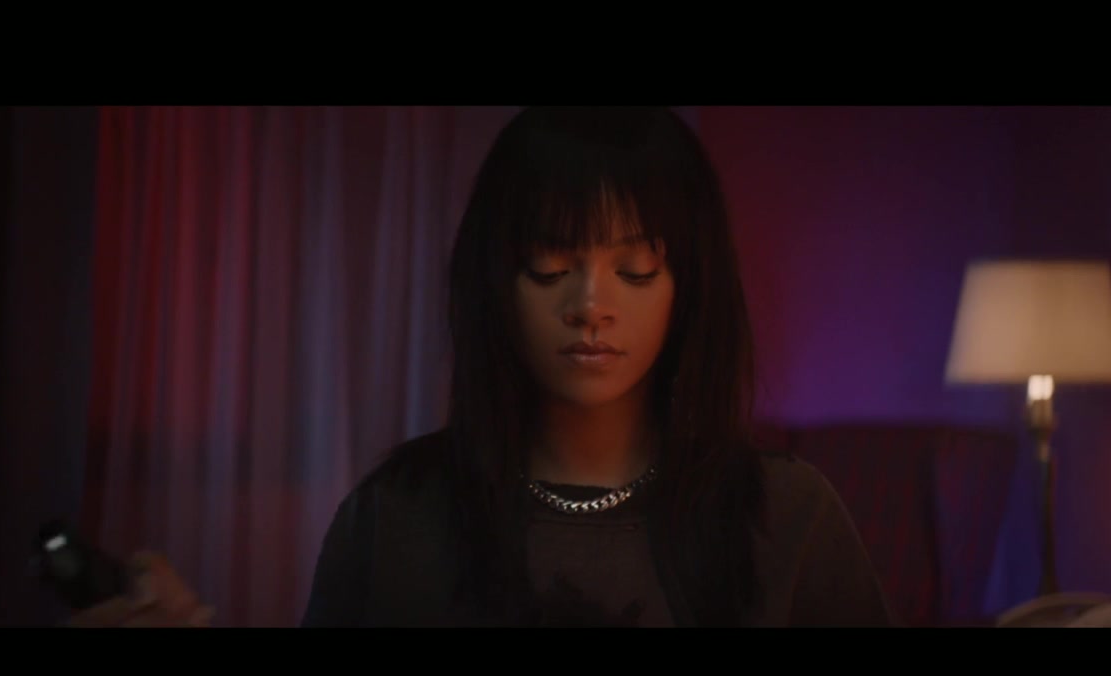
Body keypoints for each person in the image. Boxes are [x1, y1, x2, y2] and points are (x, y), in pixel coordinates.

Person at [68, 106, 895, 628]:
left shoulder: (789, 516)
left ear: (690, 288)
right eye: (549, 265)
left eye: (636, 269)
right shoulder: (395, 517)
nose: (591, 305)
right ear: (494, 281)